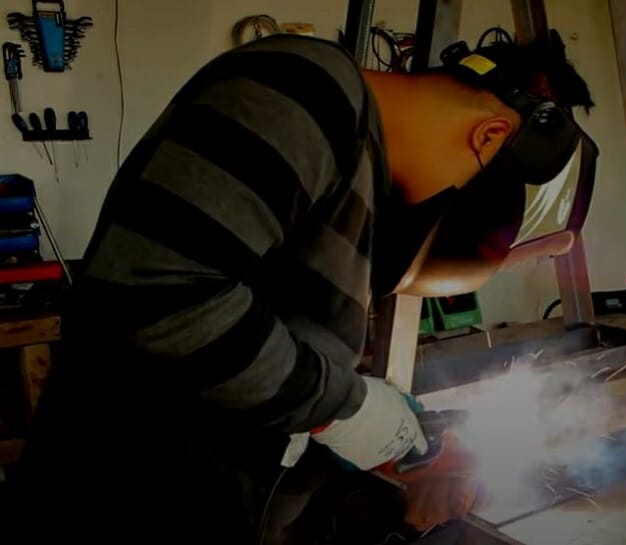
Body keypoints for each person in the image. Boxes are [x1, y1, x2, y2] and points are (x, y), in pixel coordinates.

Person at [14, 29, 593, 545]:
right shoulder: (307, 91)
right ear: (489, 136)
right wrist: (348, 411)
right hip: (120, 506)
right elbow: (158, 297)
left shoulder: (352, 166)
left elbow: (265, 350)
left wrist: (408, 445)